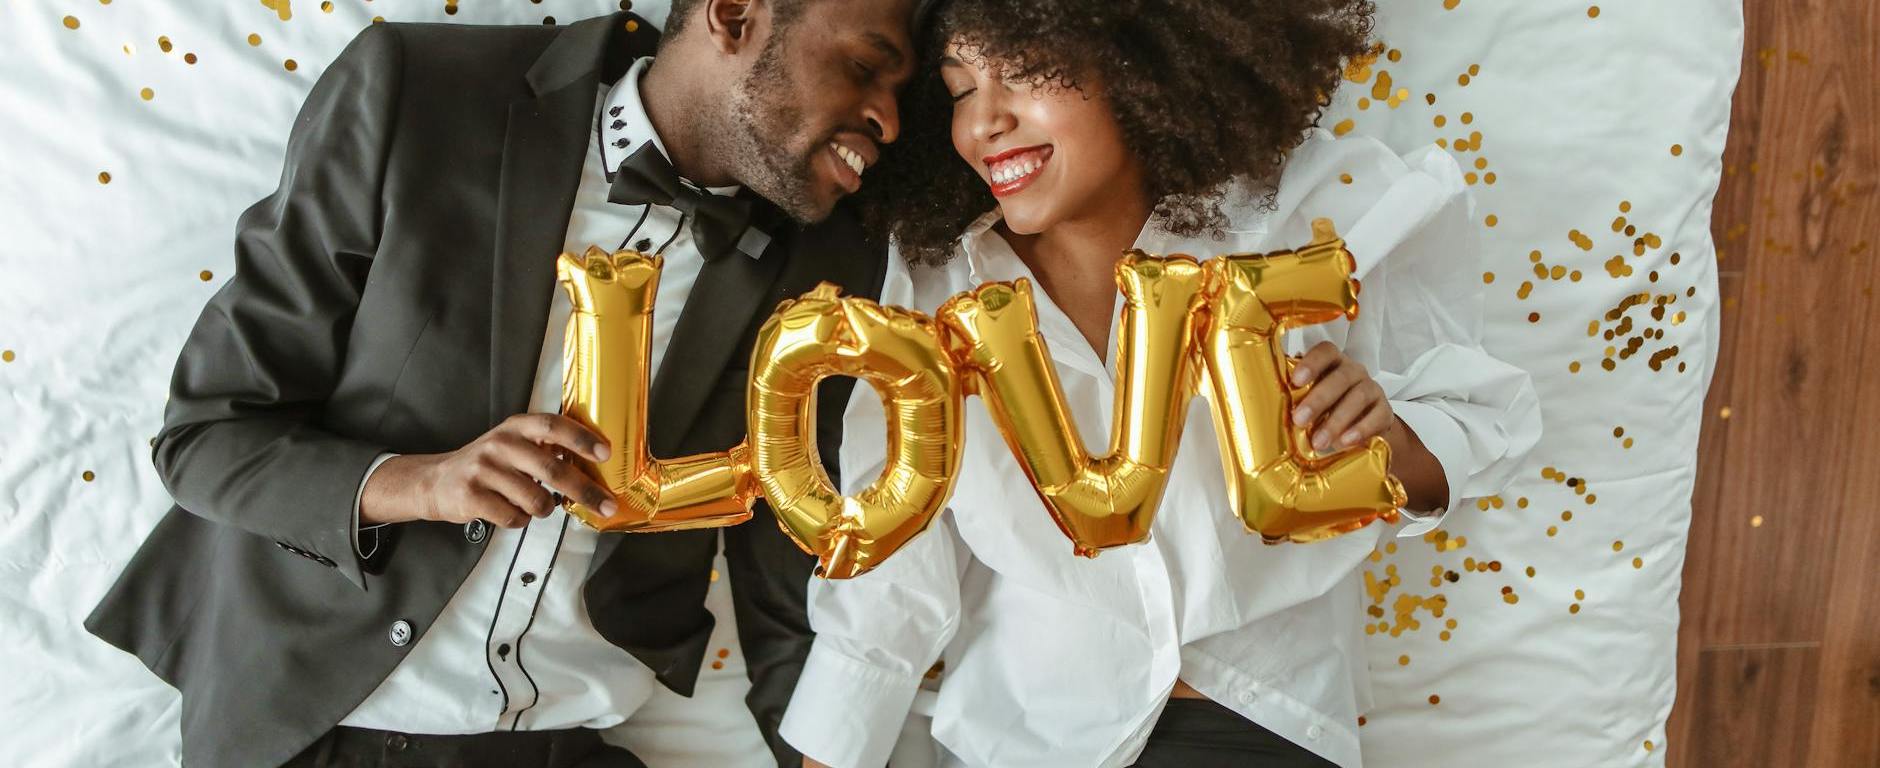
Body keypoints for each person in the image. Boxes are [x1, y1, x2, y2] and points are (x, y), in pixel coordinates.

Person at [84, 2, 918, 766]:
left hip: (570, 738)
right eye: (863, 66)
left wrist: (825, 747)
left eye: (903, 92)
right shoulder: (419, 92)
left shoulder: (831, 258)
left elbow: (791, 545)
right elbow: (207, 434)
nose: (886, 118)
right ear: (734, 14)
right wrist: (426, 483)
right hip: (319, 716)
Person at [781, 0, 1542, 766]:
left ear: (1132, 58)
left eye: (1021, 71)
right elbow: (892, 573)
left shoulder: (1317, 218)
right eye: (958, 90)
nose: (984, 122)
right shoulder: (933, 294)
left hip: (1260, 716)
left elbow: (1480, 418)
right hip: (1028, 738)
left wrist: (1389, 444)